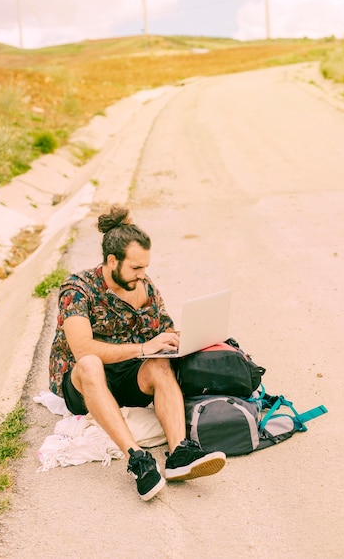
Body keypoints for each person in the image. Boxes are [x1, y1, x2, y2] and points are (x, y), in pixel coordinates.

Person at [49, 203, 226, 501]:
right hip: (85, 382)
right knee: (91, 363)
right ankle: (138, 459)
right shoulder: (78, 288)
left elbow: (163, 330)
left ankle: (179, 453)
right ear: (111, 261)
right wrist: (144, 347)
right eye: (135, 268)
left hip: (129, 375)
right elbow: (81, 350)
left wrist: (181, 339)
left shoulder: (143, 286)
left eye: (145, 267)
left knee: (159, 363)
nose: (142, 275)